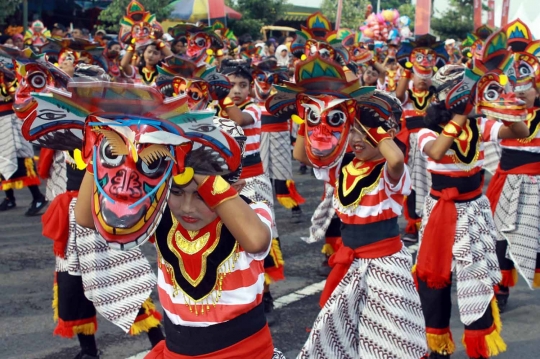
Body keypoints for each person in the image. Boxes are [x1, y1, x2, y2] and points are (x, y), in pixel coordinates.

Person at [75, 117, 286, 359]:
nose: (187, 207)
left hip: (246, 354)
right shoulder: (162, 218)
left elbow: (257, 241)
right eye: (175, 191)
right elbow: (87, 218)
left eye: (201, 196)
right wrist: (101, 154)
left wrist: (197, 167)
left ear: (234, 189)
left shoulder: (254, 214)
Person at [295, 91, 428, 359]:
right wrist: (310, 117)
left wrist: (373, 127)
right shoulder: (342, 167)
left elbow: (397, 159)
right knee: (339, 335)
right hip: (351, 263)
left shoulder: (390, 173)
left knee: (389, 341)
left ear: (387, 132)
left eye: (363, 131)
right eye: (351, 130)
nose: (356, 139)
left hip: (385, 265)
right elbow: (301, 155)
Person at [415, 62, 529, 358]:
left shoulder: (480, 125)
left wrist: (505, 103)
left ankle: (478, 345)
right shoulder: (425, 131)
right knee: (435, 279)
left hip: (474, 212)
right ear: (443, 96)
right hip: (440, 211)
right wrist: (461, 115)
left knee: (476, 278)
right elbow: (438, 151)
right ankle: (438, 346)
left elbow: (522, 129)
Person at [216, 59, 285, 324]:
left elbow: (239, 119)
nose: (236, 90)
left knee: (259, 236)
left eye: (242, 85)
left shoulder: (254, 108)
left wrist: (221, 98)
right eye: (230, 85)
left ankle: (265, 292)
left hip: (254, 181)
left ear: (250, 88)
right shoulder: (215, 112)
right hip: (226, 183)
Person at [486, 19, 540, 312]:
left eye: (527, 88)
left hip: (536, 185)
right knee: (500, 238)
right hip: (506, 182)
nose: (521, 93)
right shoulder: (500, 115)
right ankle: (501, 288)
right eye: (515, 88)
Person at [0, 63, 47, 216]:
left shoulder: (6, 73)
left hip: (10, 120)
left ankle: (38, 197)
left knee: (21, 158)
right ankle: (9, 197)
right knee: (2, 161)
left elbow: (18, 96)